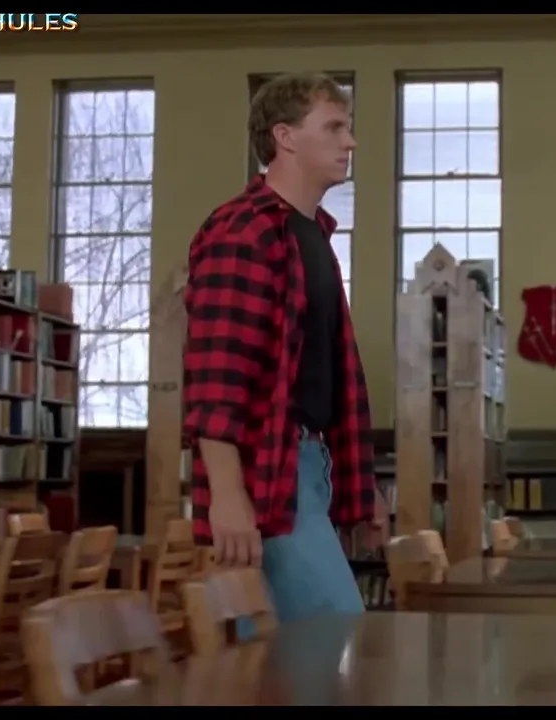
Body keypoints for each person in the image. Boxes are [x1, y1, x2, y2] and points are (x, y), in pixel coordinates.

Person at [182, 72, 386, 621]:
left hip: (308, 464)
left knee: (289, 654)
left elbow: (328, 376)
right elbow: (216, 376)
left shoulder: (311, 233)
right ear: (285, 136)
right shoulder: (244, 230)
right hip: (269, 471)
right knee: (336, 630)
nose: (350, 142)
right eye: (334, 127)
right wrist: (228, 495)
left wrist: (360, 487)